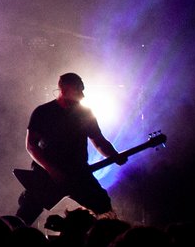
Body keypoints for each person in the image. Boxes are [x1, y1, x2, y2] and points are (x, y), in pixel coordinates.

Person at [16, 72, 125, 226]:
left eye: (82, 90)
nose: (82, 95)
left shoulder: (84, 113)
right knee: (25, 214)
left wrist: (114, 155)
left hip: (78, 173)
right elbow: (31, 146)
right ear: (64, 89)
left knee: (103, 207)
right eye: (78, 90)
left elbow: (99, 141)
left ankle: (107, 241)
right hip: (46, 175)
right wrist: (52, 170)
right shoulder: (43, 112)